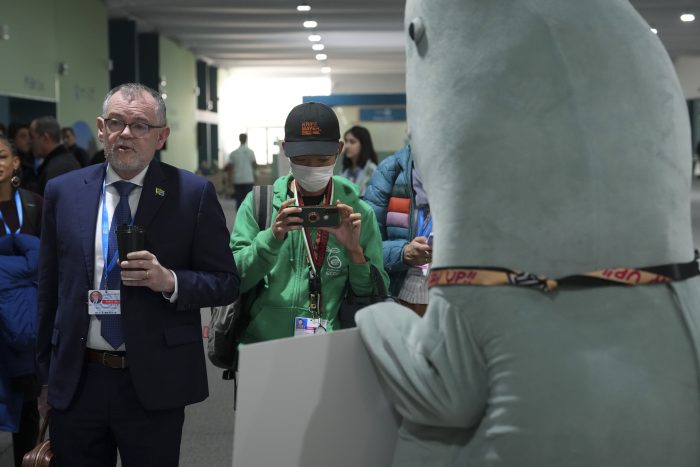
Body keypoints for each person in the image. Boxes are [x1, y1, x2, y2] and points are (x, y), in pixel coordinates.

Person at [36, 83, 240, 466]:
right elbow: (48, 289)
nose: (126, 133)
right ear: (101, 129)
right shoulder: (64, 193)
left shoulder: (191, 194)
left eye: (140, 125)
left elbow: (225, 282)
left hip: (153, 380)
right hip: (78, 380)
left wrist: (170, 281)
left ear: (161, 136)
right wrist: (45, 377)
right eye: (116, 122)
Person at [230, 102, 388, 343]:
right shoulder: (260, 204)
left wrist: (354, 252)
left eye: (322, 159)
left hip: (330, 348)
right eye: (302, 159)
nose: (312, 168)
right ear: (285, 149)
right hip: (262, 346)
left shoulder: (357, 213)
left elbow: (374, 294)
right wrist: (270, 240)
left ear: (339, 149)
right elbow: (233, 280)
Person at [0, 136, 43, 467]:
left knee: (28, 405)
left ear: (16, 162)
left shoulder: (33, 203)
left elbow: (49, 256)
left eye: (2, 156)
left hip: (23, 320)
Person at [364, 144, 432, 316]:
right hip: (398, 297)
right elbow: (365, 247)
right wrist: (403, 253)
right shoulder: (390, 171)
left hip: (451, 300)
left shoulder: (469, 175)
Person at [30, 116, 81, 195]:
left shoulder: (56, 168)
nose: (30, 142)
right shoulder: (66, 160)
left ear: (45, 138)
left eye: (32, 137)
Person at [340, 125, 378, 197]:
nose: (347, 146)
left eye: (352, 142)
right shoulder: (345, 169)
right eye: (346, 141)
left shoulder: (372, 170)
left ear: (363, 145)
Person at [7, 123, 39, 193]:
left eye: (30, 136)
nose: (28, 141)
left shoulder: (36, 161)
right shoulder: (9, 163)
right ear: (13, 139)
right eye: (23, 136)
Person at [228, 133, 257, 208]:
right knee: (249, 200)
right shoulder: (251, 152)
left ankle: (239, 214)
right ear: (246, 139)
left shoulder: (233, 153)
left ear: (239, 139)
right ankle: (248, 214)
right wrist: (255, 176)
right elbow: (254, 165)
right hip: (249, 179)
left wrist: (229, 180)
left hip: (238, 180)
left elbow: (230, 168)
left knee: (239, 200)